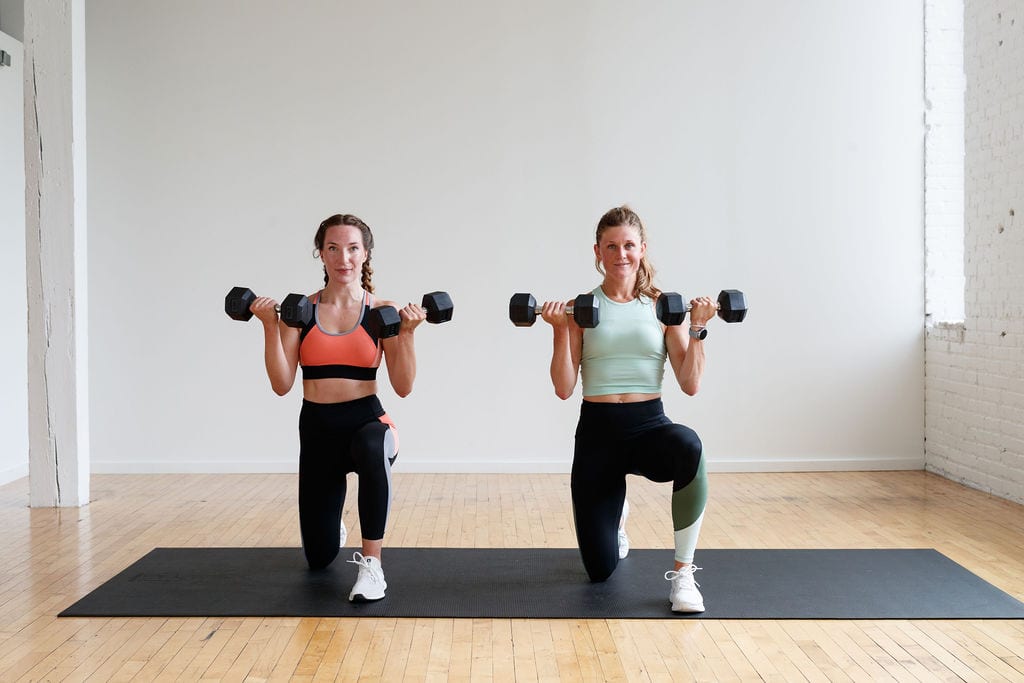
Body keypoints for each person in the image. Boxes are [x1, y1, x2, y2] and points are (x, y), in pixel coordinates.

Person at [539, 205, 715, 613]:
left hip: (647, 428)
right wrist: (559, 331)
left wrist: (698, 329)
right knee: (600, 571)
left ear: (642, 249)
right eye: (612, 246)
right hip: (597, 436)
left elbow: (690, 384)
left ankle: (684, 573)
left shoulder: (663, 308)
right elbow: (564, 388)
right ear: (597, 252)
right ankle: (617, 519)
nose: (622, 254)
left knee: (689, 445)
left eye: (629, 245)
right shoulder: (581, 309)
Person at [249, 213, 425, 602]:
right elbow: (281, 385)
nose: (343, 258)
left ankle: (373, 567)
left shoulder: (383, 312)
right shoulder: (300, 311)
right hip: (317, 430)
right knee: (319, 557)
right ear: (320, 254)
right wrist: (267, 325)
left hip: (368, 421)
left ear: (365, 254)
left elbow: (404, 386)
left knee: (371, 445)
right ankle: (332, 529)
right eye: (333, 248)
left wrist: (407, 335)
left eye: (352, 248)